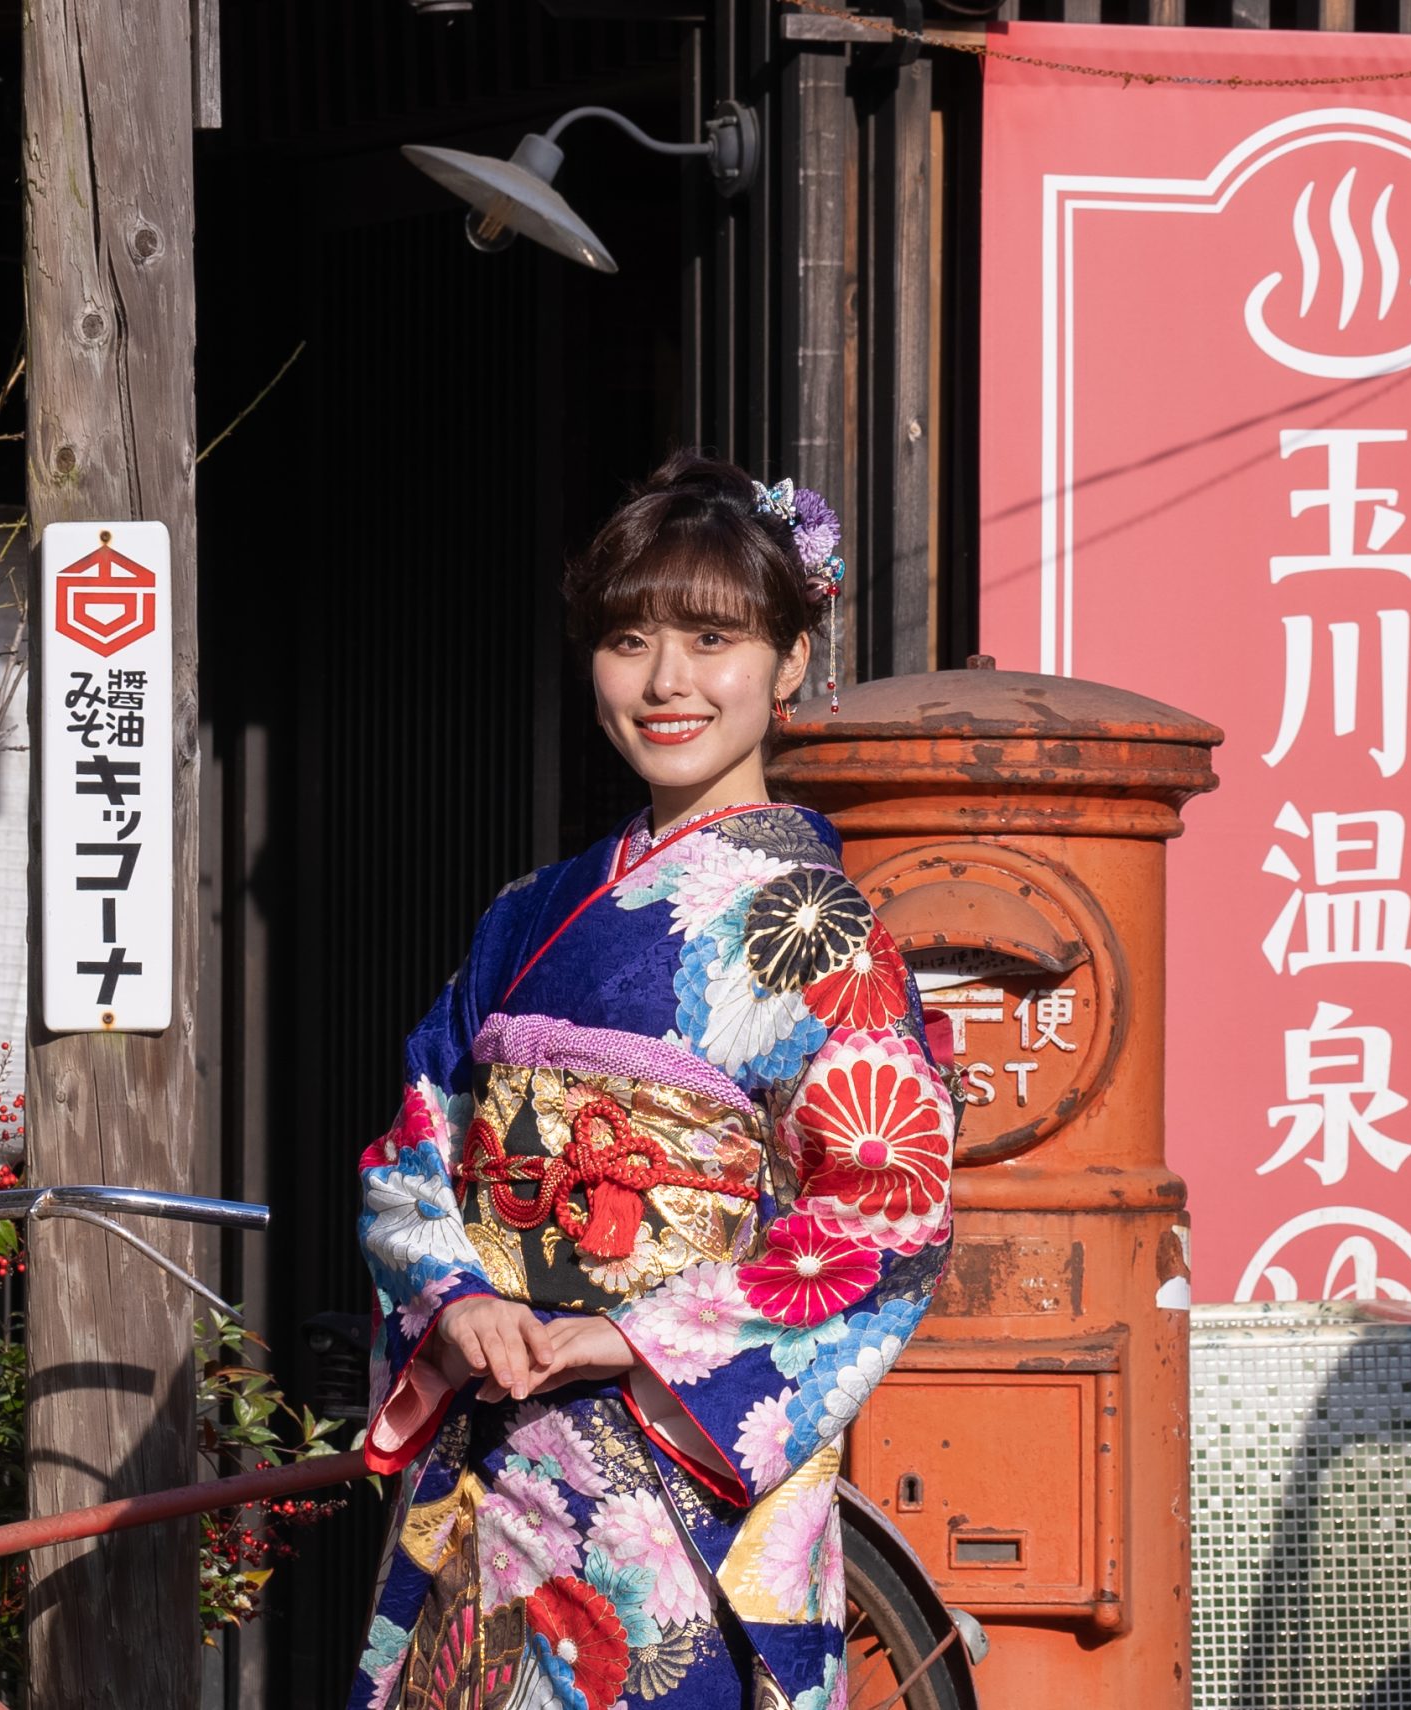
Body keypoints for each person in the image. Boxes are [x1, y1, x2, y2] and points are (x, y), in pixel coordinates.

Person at [350, 452, 958, 1710]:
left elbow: (885, 1212)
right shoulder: (526, 913)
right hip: (498, 1450)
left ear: (790, 662)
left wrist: (633, 1336)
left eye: (711, 639)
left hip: (674, 1470)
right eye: (629, 640)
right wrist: (456, 1296)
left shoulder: (822, 934)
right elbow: (417, 1136)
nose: (666, 680)